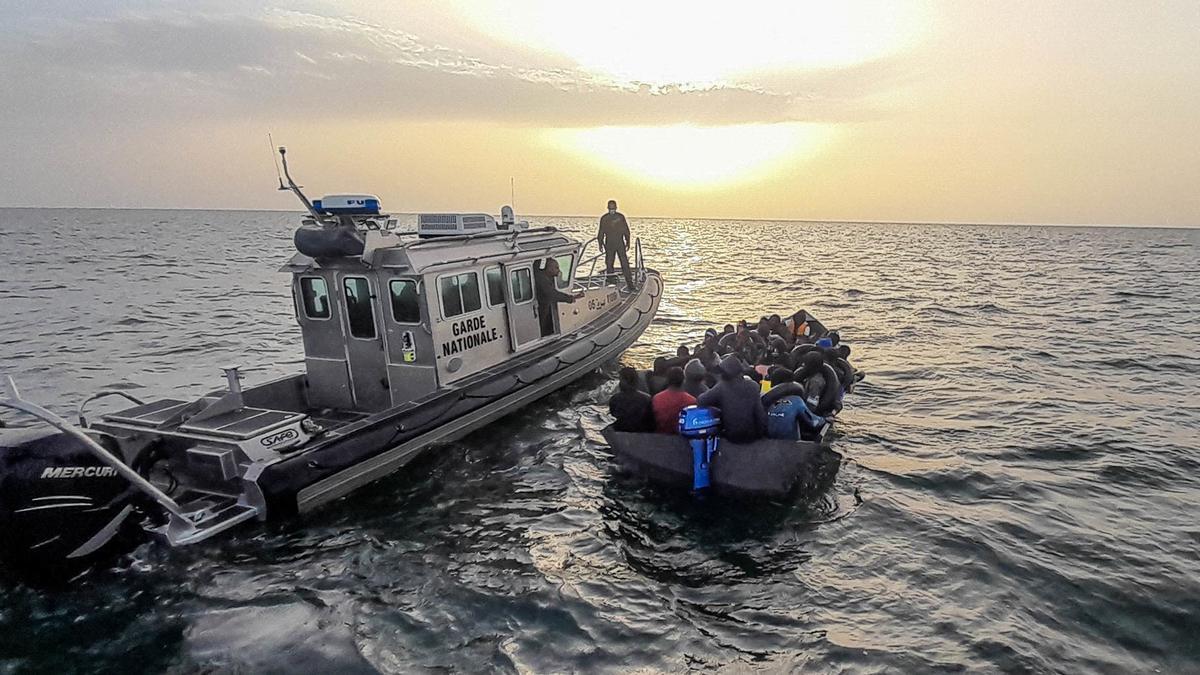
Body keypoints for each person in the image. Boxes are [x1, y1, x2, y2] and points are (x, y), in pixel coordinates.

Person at [697, 355, 767, 443]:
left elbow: (701, 401)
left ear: (726, 374)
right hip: (753, 435)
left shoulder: (722, 387)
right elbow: (759, 413)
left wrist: (718, 405)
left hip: (732, 436)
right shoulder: (753, 385)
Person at [534, 258, 578, 337]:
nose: (559, 270)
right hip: (540, 308)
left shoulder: (545, 277)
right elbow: (552, 294)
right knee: (541, 324)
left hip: (545, 307)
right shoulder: (542, 280)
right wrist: (569, 298)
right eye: (556, 268)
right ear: (550, 268)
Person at [597, 199, 634, 288]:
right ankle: (610, 281)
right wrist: (600, 243)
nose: (612, 210)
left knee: (624, 262)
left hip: (619, 242)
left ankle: (630, 283)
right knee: (609, 263)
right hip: (609, 243)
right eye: (610, 208)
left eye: (613, 208)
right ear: (608, 208)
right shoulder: (604, 218)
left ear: (616, 208)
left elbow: (626, 230)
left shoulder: (620, 217)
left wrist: (628, 241)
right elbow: (601, 231)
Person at [651, 367, 697, 434]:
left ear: (667, 380)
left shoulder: (656, 399)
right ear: (683, 380)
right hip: (682, 438)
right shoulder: (692, 401)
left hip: (660, 436)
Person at [609, 367, 654, 432]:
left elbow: (613, 414)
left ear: (624, 381)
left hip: (622, 432)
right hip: (642, 432)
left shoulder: (615, 399)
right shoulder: (647, 399)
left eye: (620, 380)